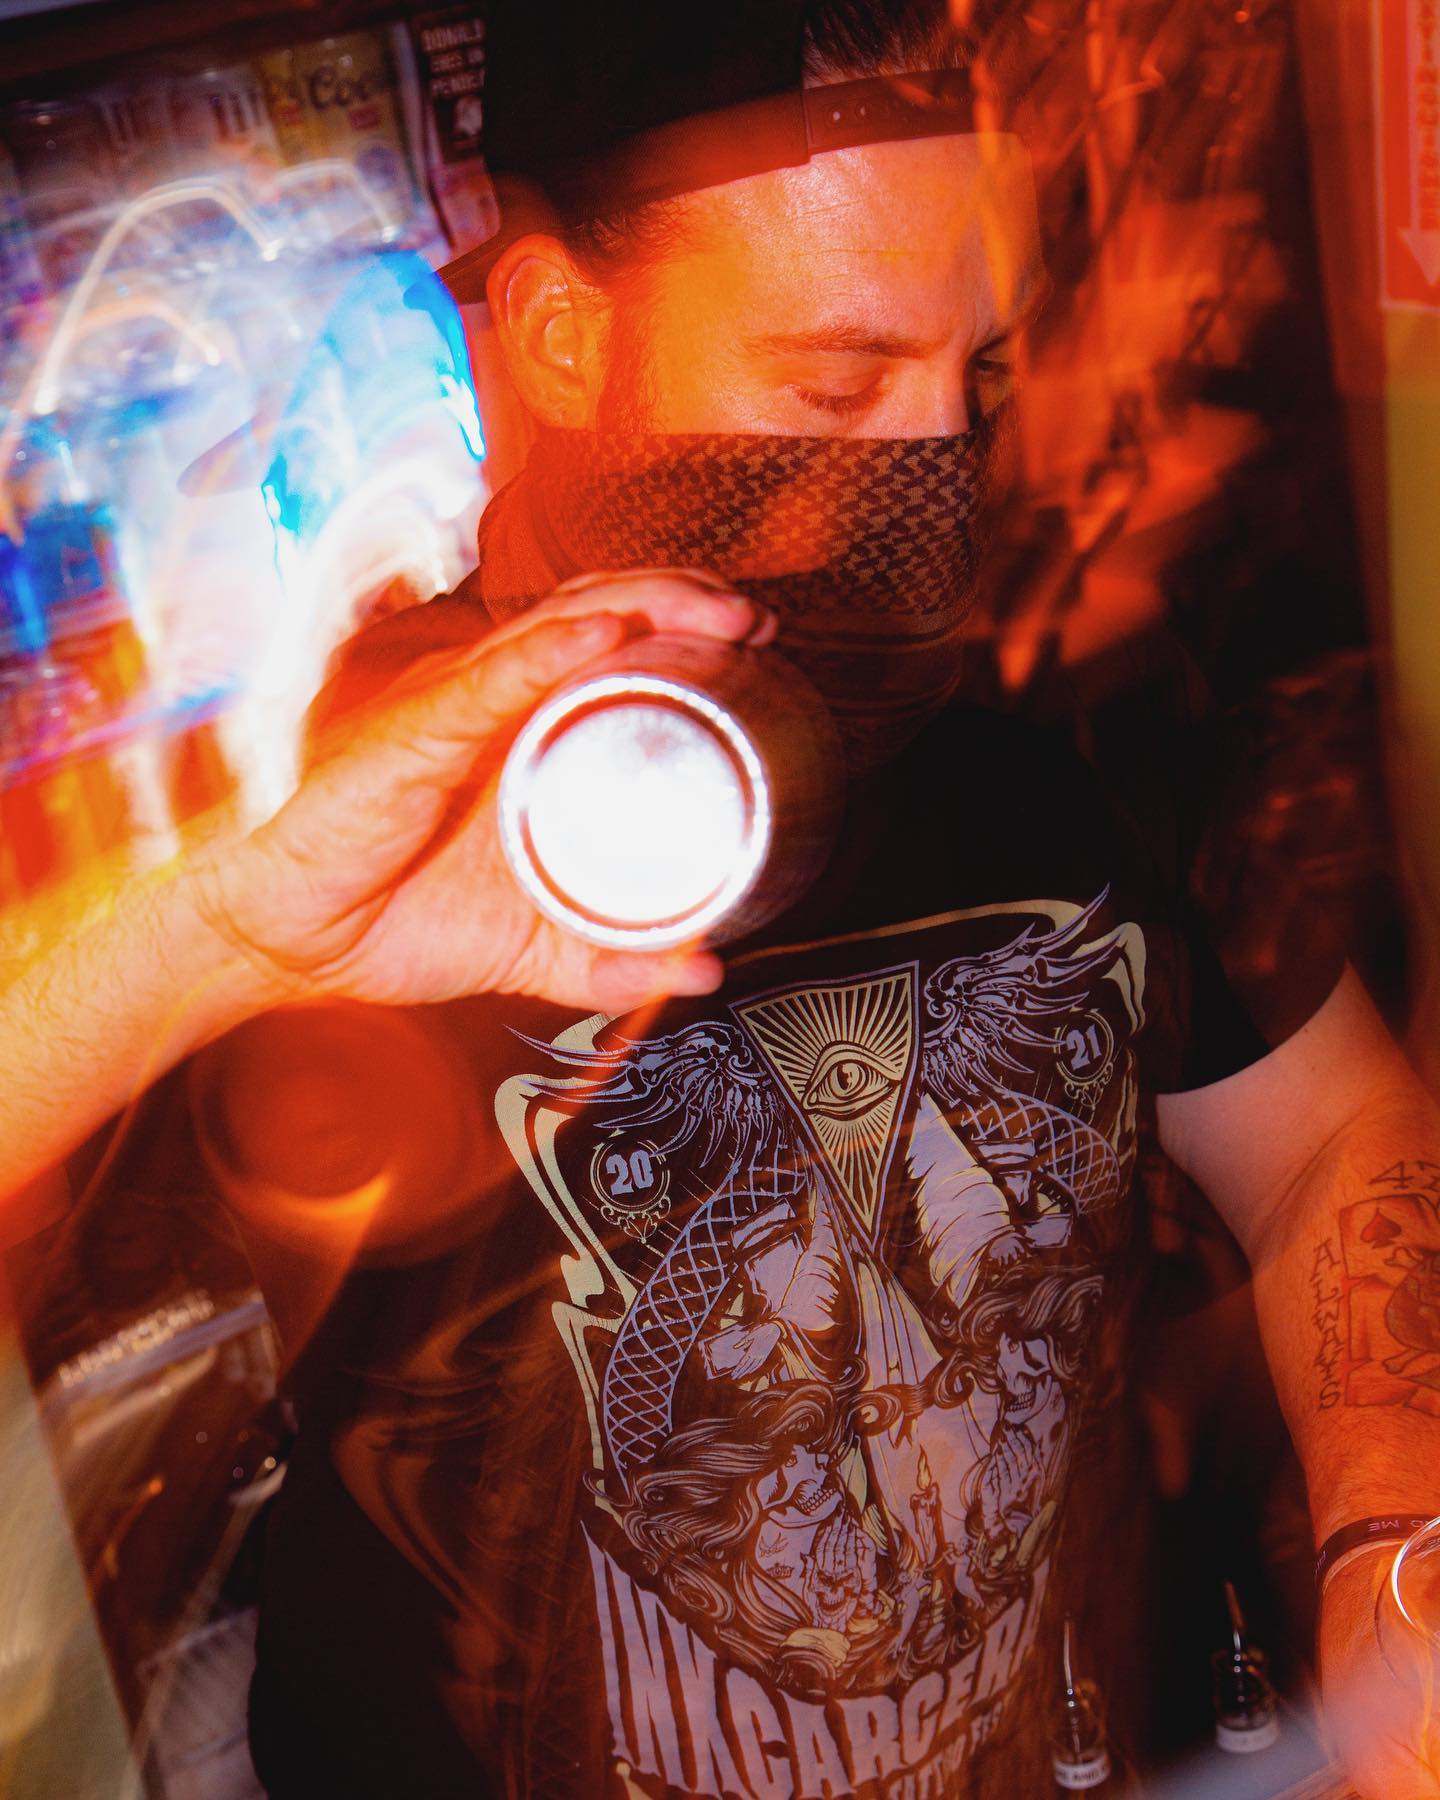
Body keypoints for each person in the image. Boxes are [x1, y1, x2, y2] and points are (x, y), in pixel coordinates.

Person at [0, 4, 1436, 1796]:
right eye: (833, 386)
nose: (935, 459)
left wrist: (1394, 1538)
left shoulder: (1071, 695)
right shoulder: (329, 793)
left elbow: (1328, 1141)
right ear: (561, 332)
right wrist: (220, 941)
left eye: (977, 376)